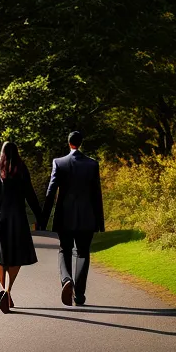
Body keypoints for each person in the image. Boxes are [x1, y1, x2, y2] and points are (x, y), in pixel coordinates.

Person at [41, 130, 104, 307]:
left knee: (64, 249)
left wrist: (43, 219)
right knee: (83, 252)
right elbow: (96, 194)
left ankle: (66, 279)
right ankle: (79, 295)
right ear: (81, 143)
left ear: (69, 143)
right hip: (87, 215)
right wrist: (100, 222)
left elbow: (50, 192)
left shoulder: (59, 163)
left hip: (64, 215)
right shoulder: (92, 164)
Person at [0, 141, 44, 313]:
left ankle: (3, 290)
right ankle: (8, 290)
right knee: (16, 258)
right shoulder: (21, 169)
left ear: (1, 153)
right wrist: (40, 216)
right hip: (18, 219)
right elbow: (30, 194)